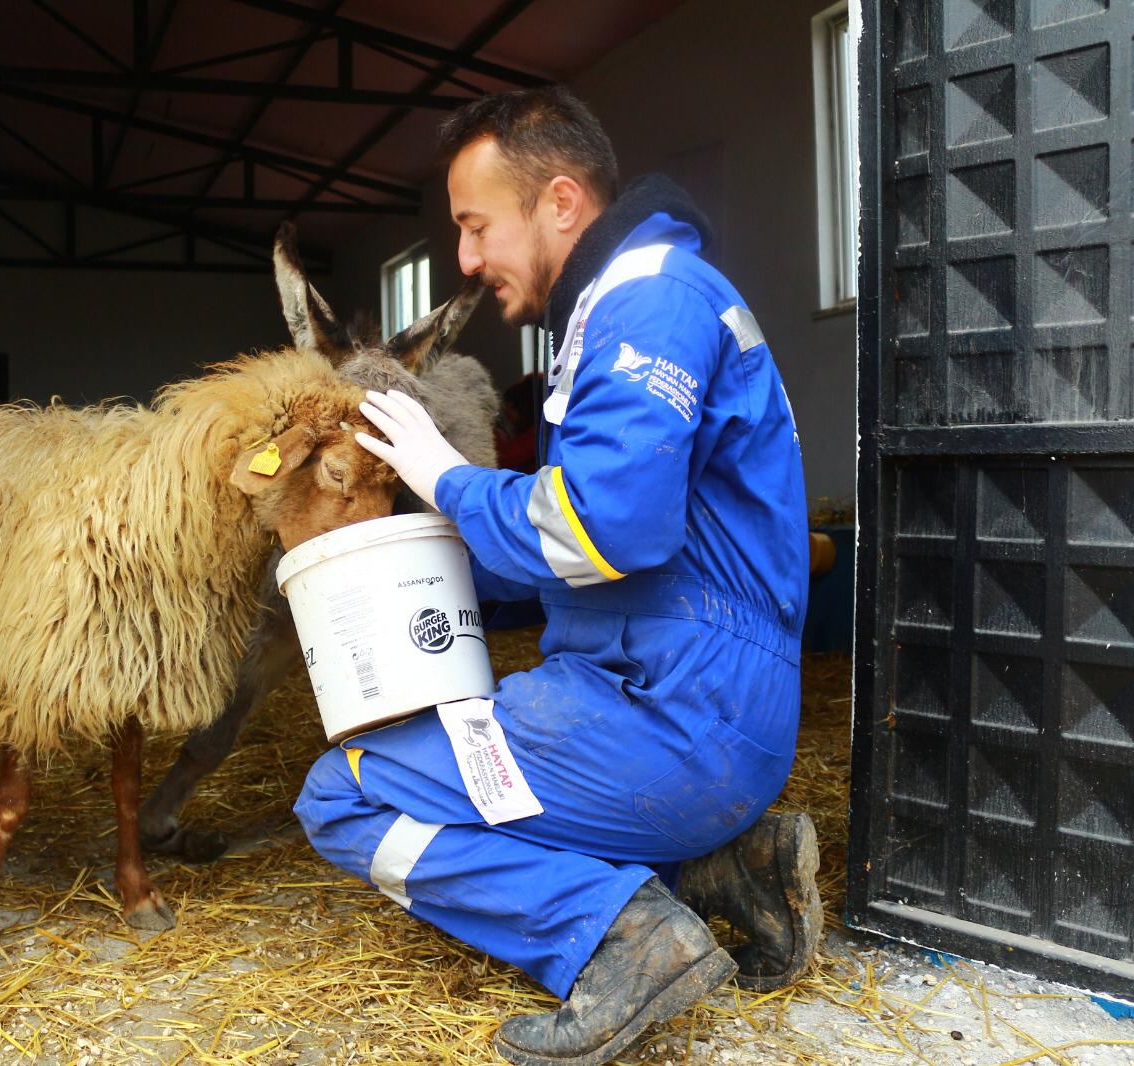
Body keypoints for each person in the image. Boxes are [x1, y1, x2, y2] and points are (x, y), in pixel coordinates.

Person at [294, 85, 821, 1066]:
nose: (464, 259)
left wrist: (449, 483)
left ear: (561, 203)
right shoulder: (630, 309)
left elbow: (605, 529)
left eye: (474, 225)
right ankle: (726, 872)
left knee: (342, 794)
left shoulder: (648, 302)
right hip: (693, 708)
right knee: (490, 755)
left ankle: (622, 934)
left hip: (665, 717)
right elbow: (595, 553)